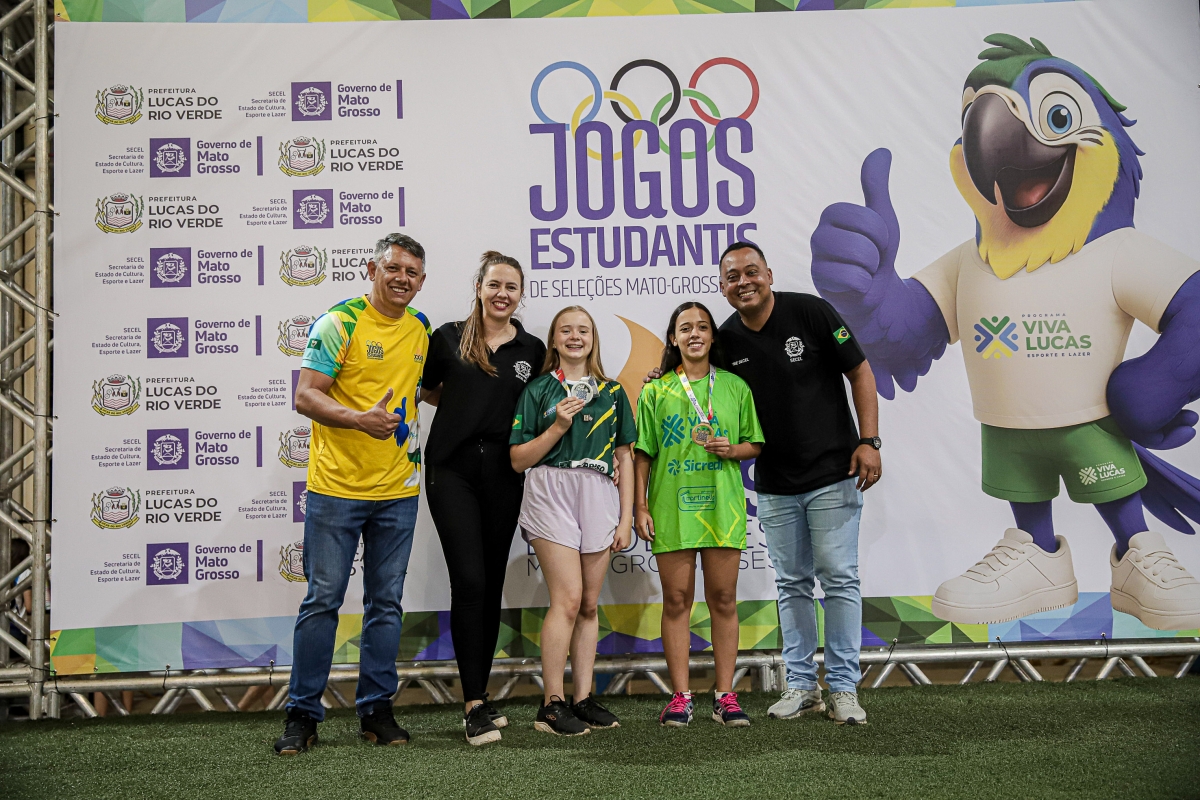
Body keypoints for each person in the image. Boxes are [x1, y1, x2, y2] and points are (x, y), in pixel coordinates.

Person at [274, 233, 431, 755]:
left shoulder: (421, 327)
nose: (402, 278)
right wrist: (360, 420)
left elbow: (429, 389)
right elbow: (305, 396)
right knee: (322, 601)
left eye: (412, 272)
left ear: (422, 281)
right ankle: (302, 713)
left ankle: (376, 709)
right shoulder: (338, 322)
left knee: (386, 603)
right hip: (336, 490)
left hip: (399, 490)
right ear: (371, 269)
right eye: (393, 268)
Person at [717, 241, 881, 726]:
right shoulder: (726, 339)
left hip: (833, 473)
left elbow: (861, 372)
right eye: (732, 277)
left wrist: (869, 440)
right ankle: (802, 686)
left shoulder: (810, 311)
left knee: (839, 578)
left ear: (768, 274)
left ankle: (844, 688)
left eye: (751, 272)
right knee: (791, 584)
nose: (744, 282)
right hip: (772, 483)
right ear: (722, 288)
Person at [421, 251, 546, 746]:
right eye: (494, 284)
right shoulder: (447, 337)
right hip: (450, 470)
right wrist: (463, 406)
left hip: (502, 473)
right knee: (470, 580)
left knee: (490, 584)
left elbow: (546, 400)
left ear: (520, 294)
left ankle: (481, 695)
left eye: (511, 287)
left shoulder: (532, 348)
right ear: (478, 287)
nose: (502, 294)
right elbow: (428, 390)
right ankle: (472, 704)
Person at [634, 302, 763, 728]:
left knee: (723, 599)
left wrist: (733, 449)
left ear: (712, 336)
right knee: (676, 601)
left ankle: (725, 696)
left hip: (722, 506)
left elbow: (754, 444)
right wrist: (640, 506)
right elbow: (643, 453)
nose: (694, 334)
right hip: (671, 506)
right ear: (673, 338)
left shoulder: (735, 386)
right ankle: (680, 697)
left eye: (702, 327)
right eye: (685, 327)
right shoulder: (655, 392)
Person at [509, 306, 635, 736]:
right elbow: (518, 459)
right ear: (554, 340)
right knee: (566, 599)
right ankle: (551, 703)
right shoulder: (539, 389)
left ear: (593, 339)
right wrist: (558, 426)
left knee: (589, 604)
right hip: (550, 490)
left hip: (598, 493)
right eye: (566, 330)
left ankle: (582, 698)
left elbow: (625, 457)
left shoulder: (612, 392)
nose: (575, 336)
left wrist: (626, 517)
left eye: (583, 330)